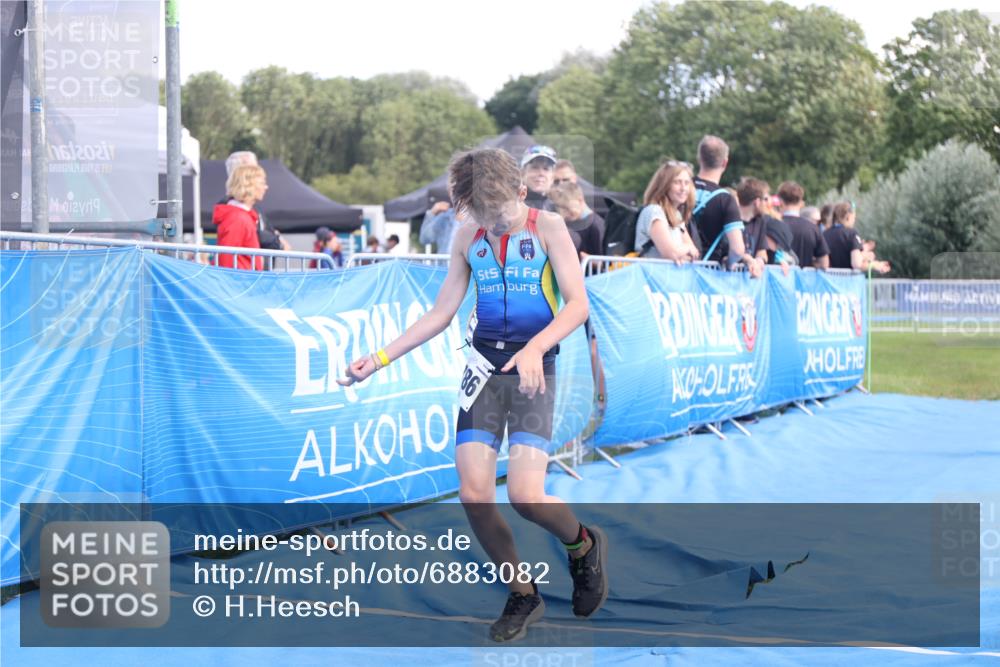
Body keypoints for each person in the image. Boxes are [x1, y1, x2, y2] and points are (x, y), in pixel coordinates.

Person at [338, 148, 607, 642]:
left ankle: (582, 545)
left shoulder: (549, 228)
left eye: (499, 215)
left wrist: (535, 348)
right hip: (482, 374)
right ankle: (522, 592)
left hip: (533, 373)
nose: (493, 225)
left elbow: (577, 305)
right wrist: (377, 359)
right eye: (483, 217)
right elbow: (441, 313)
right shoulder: (467, 236)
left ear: (521, 193)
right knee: (474, 495)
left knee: (526, 496)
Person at [692, 136, 762, 276]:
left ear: (699, 158)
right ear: (725, 162)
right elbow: (737, 249)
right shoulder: (725, 199)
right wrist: (730, 263)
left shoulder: (680, 188)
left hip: (674, 271)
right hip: (707, 274)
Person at [224, 151, 292, 254]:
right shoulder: (234, 214)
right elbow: (228, 256)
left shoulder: (251, 211)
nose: (265, 187)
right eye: (253, 169)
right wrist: (275, 241)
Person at [633, 161, 700, 262]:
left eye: (687, 183)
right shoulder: (654, 211)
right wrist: (686, 249)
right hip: (651, 271)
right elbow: (671, 253)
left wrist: (683, 253)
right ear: (664, 185)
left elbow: (694, 254)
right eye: (677, 182)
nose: (683, 188)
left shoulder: (676, 215)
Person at [212, 164, 267, 270]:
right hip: (240, 279)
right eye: (262, 183)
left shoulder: (241, 216)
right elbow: (226, 260)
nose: (265, 187)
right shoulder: (238, 218)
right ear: (249, 186)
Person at [736, 177, 797, 272]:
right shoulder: (732, 220)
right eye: (765, 199)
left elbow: (762, 251)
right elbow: (730, 251)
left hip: (751, 278)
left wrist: (759, 261)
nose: (768, 203)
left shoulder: (760, 221)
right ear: (757, 202)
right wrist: (749, 260)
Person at [823, 202, 890, 273]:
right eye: (854, 217)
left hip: (828, 278)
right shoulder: (851, 234)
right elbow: (856, 264)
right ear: (848, 216)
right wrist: (875, 264)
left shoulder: (824, 234)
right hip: (849, 278)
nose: (854, 220)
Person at [777, 181, 829, 269]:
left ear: (780, 202)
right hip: (805, 277)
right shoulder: (813, 229)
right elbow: (824, 263)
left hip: (778, 276)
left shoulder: (772, 226)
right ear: (801, 203)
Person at [547, 181, 605, 259]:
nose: (563, 214)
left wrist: (588, 259)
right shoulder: (569, 222)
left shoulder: (596, 225)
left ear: (580, 200)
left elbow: (606, 262)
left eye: (566, 208)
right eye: (559, 208)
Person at [520, 145, 558, 211]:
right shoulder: (512, 205)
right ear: (523, 173)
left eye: (546, 169)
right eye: (535, 167)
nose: (541, 173)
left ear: (552, 177)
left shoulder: (560, 208)